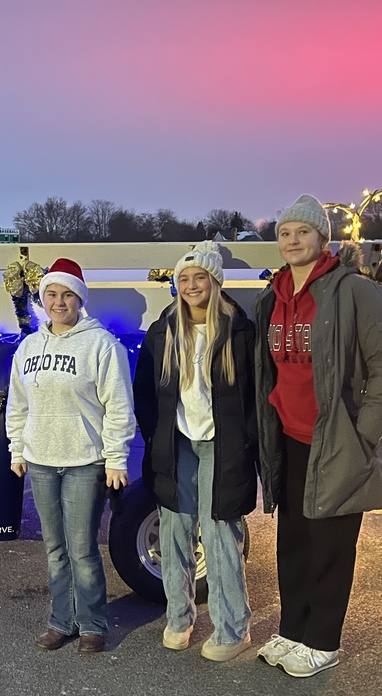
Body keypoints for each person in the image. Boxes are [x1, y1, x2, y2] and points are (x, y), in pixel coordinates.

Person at [253, 195, 382, 677]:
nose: (292, 240)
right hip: (289, 437)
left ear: (323, 238)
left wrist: (363, 434)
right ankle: (292, 630)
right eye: (284, 233)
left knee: (332, 543)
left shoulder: (353, 291)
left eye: (303, 231)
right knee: (293, 540)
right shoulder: (271, 297)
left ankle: (323, 640)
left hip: (336, 438)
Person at [134, 242, 258, 661]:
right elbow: (145, 394)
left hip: (223, 446)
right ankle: (179, 619)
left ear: (215, 281)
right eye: (183, 279)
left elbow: (256, 396)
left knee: (222, 533)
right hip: (178, 444)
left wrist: (248, 441)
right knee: (174, 531)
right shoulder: (163, 331)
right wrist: (156, 436)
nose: (190, 285)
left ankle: (232, 627)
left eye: (199, 277)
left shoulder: (240, 331)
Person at [6, 258, 135, 654]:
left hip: (84, 461)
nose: (58, 302)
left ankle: (93, 624)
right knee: (54, 548)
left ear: (79, 299)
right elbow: (18, 403)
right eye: (51, 294)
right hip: (42, 460)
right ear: (42, 299)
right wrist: (17, 447)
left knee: (81, 549)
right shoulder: (28, 347)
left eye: (66, 295)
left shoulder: (101, 345)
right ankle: (62, 621)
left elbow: (117, 404)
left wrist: (115, 457)